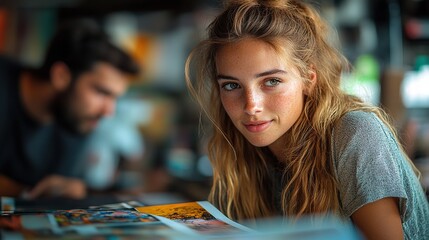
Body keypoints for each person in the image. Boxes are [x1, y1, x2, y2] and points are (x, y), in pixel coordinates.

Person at [184, 0, 429, 239]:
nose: (251, 106)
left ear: (309, 79)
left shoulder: (355, 133)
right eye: (231, 85)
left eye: (271, 81)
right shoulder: (244, 153)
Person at [0, 18, 140, 199]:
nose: (108, 111)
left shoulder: (75, 120)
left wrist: (70, 189)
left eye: (114, 98)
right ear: (61, 76)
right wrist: (23, 191)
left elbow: (59, 187)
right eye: (101, 92)